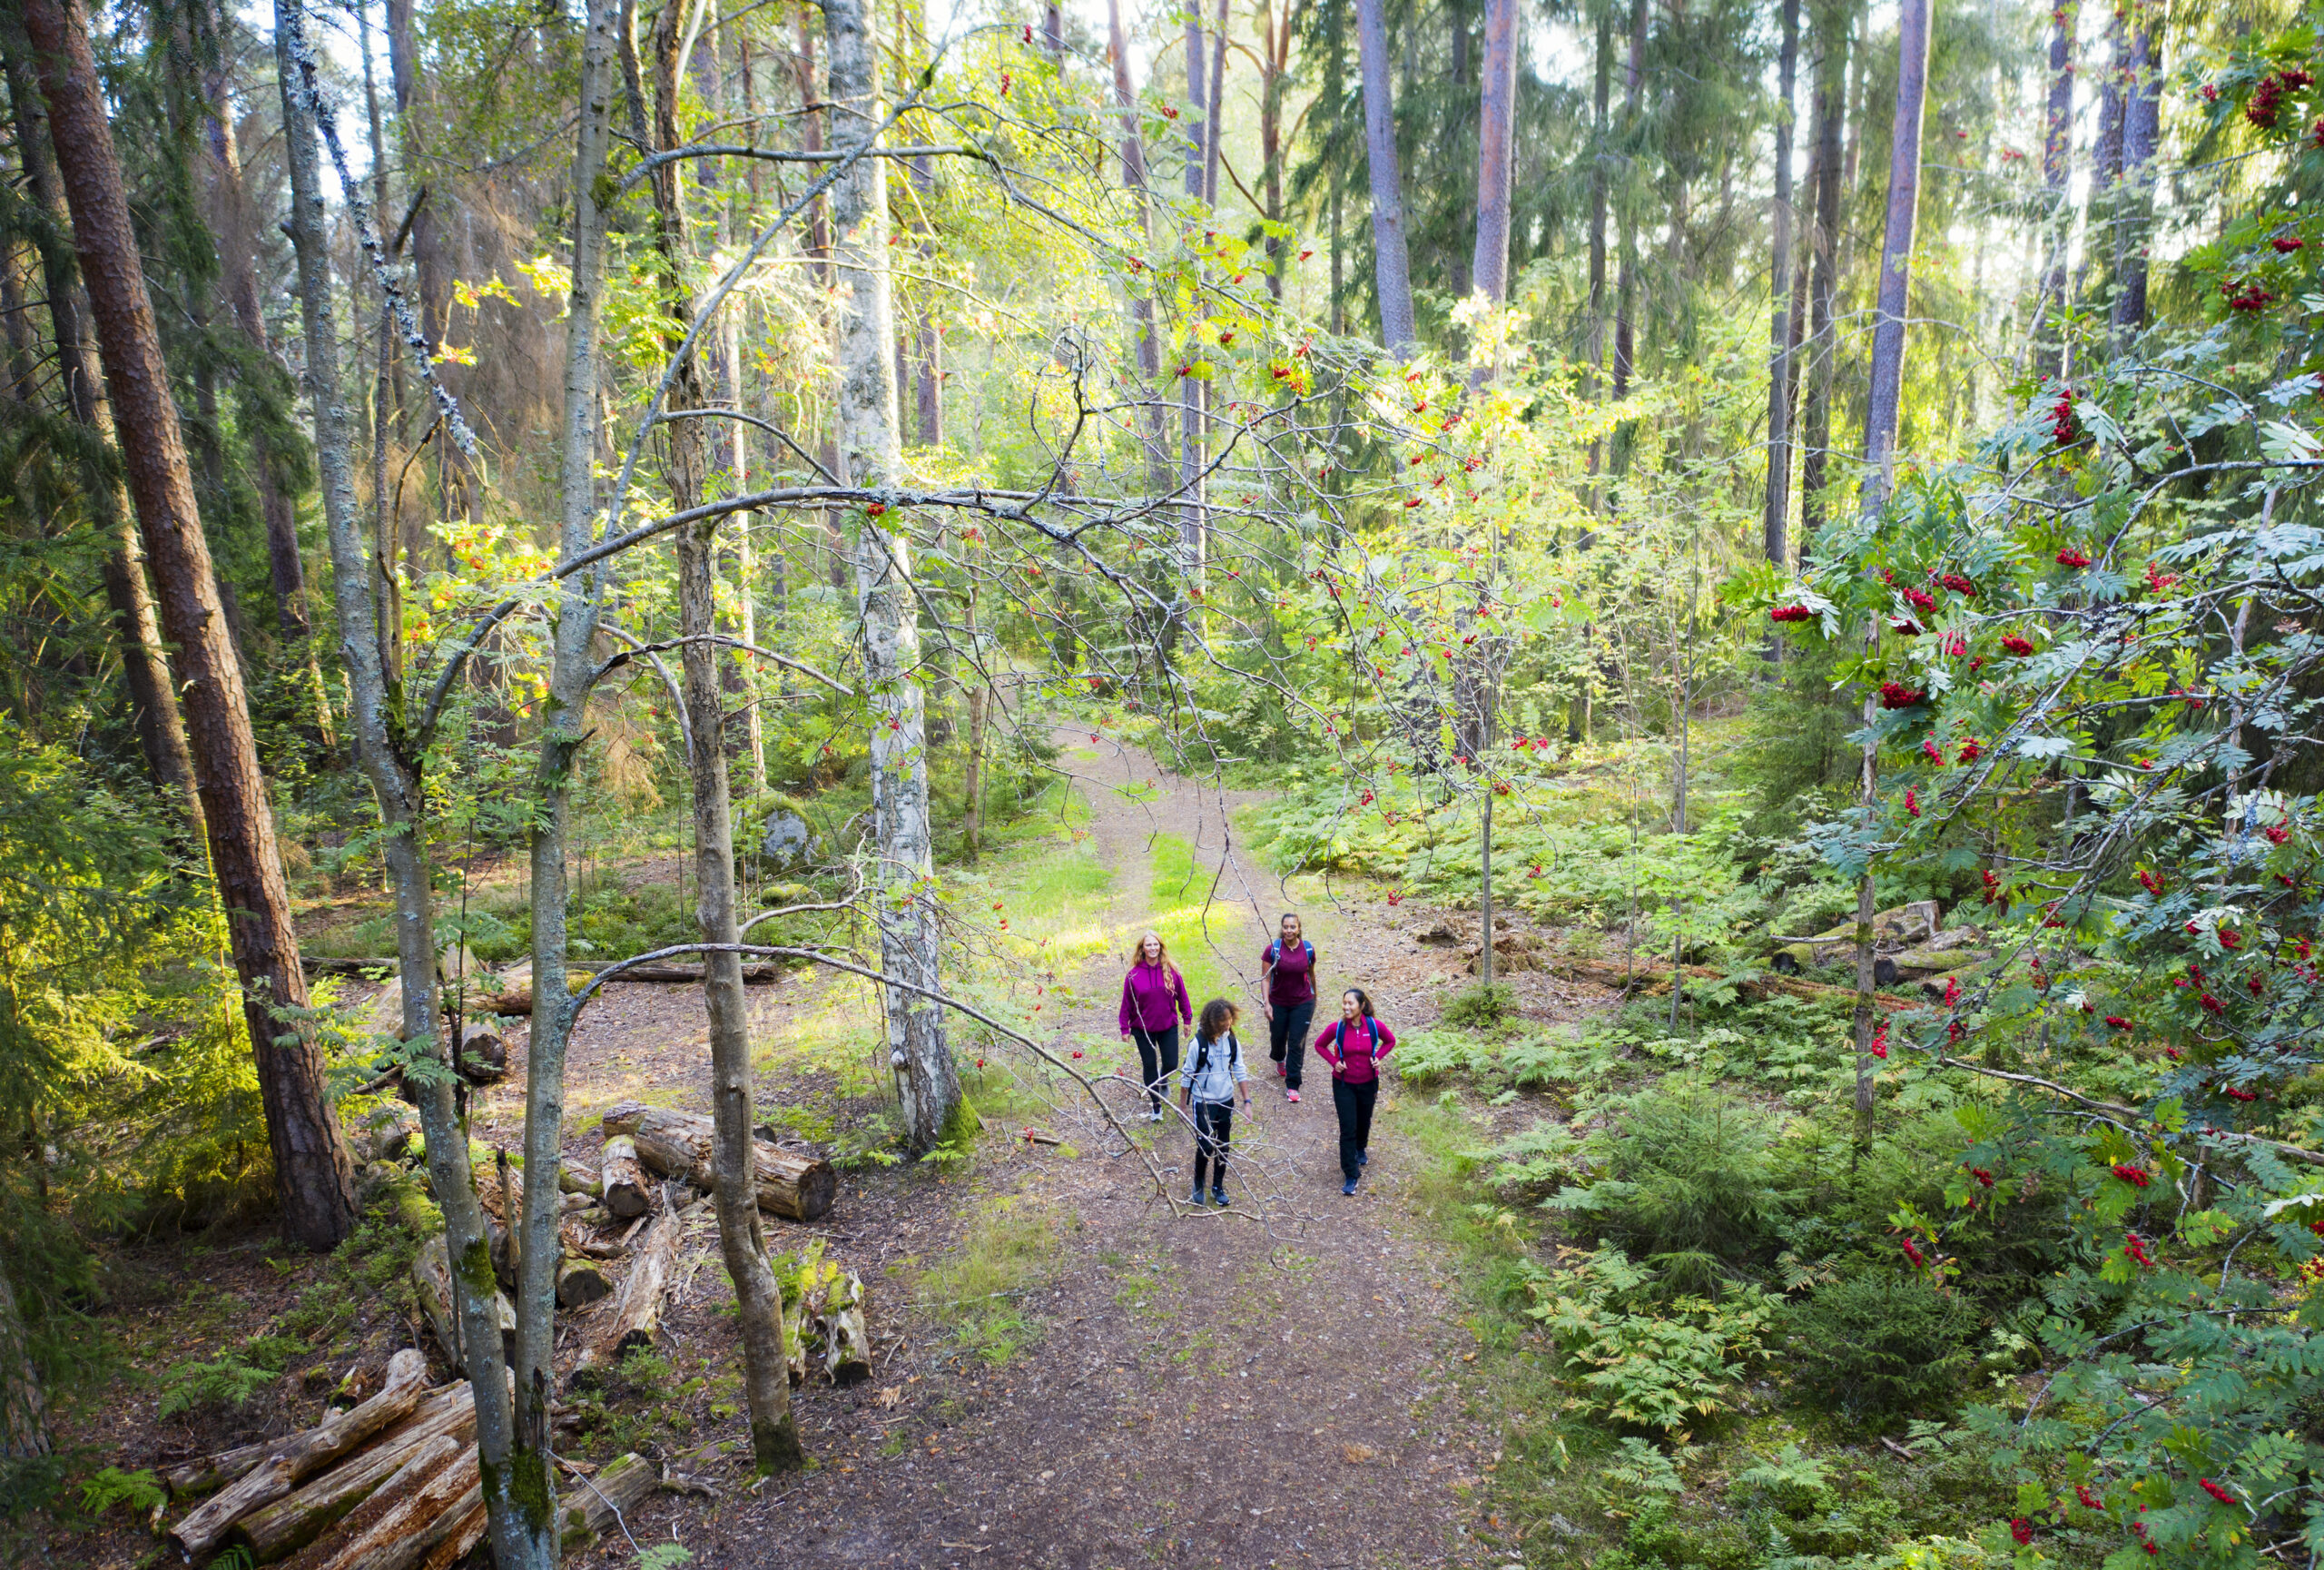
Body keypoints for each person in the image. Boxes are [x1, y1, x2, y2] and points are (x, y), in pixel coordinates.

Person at [1313, 988, 1396, 1195]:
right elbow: (1319, 1045)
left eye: (1351, 1003)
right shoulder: (1338, 1027)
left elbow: (1391, 1041)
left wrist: (1379, 1057)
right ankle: (1351, 1174)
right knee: (1347, 1127)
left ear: (1361, 1006)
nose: (1346, 1007)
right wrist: (1334, 1063)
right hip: (1344, 1085)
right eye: (1344, 1003)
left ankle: (1361, 1147)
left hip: (1369, 1082)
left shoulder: (1374, 1026)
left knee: (1364, 1120)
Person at [1178, 998, 1252, 1207]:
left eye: (1230, 1019)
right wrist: (1183, 1106)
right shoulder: (1198, 1044)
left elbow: (1239, 1069)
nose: (1228, 1024)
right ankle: (1199, 1183)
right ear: (1213, 1022)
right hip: (1204, 1102)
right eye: (1223, 1021)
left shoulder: (1231, 1040)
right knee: (1205, 1146)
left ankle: (1218, 1187)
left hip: (1225, 1101)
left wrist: (1247, 1101)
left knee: (1223, 1145)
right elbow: (1186, 1076)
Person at [1118, 931, 1192, 1121]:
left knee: (1171, 1063)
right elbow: (1127, 1003)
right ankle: (1156, 1104)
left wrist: (1187, 1019)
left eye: (1155, 944)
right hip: (1142, 1029)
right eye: (1148, 945)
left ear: (1161, 947)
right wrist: (1124, 1028)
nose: (1152, 948)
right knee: (1149, 1064)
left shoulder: (1171, 972)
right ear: (1142, 949)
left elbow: (1182, 997)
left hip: (1167, 1026)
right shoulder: (1133, 975)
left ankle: (1163, 1080)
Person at [1257, 913, 1317, 1104]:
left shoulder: (1308, 949)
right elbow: (1266, 979)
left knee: (1297, 1043)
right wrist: (1267, 1003)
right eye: (1286, 927)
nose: (1289, 930)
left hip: (1303, 1002)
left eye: (1293, 927)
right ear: (1282, 928)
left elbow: (1311, 973)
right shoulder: (1272, 949)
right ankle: (1279, 1058)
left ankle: (1293, 1085)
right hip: (1278, 1002)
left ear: (1299, 928)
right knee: (1278, 1038)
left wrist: (1314, 997)